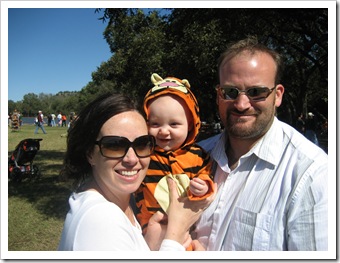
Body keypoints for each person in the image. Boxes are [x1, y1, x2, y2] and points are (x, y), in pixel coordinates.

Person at [193, 36, 328, 251]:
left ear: (277, 95)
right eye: (230, 92)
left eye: (256, 92)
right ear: (218, 95)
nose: (241, 104)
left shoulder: (310, 173)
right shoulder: (195, 155)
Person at [58, 93, 214, 251]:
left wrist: (150, 246)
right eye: (114, 145)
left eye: (141, 144)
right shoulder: (99, 219)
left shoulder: (125, 205)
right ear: (90, 153)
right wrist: (176, 232)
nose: (131, 159)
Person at [135, 74, 215, 242]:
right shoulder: (144, 154)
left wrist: (203, 187)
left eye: (174, 124)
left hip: (187, 231)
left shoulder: (198, 155)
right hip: (149, 229)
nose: (164, 131)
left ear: (191, 125)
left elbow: (207, 178)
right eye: (155, 124)